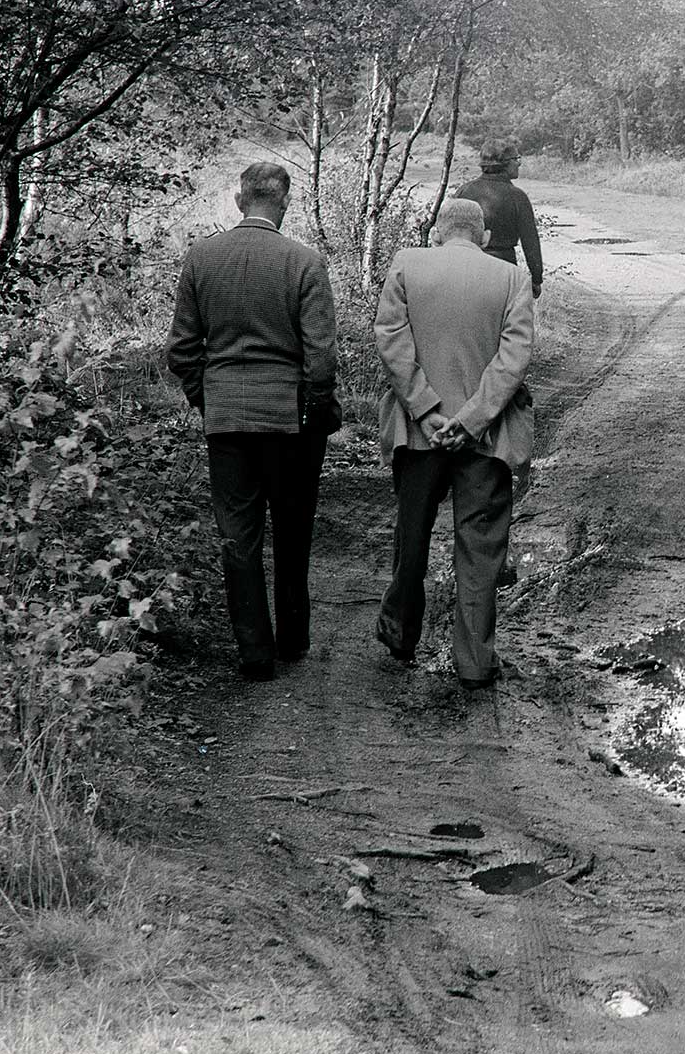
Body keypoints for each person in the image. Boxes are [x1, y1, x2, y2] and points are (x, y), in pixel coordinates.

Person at [166, 161, 340, 682]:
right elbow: (322, 359)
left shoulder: (201, 258)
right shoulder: (304, 263)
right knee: (292, 530)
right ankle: (292, 637)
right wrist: (313, 405)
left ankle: (254, 652)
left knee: (237, 538)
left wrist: (206, 398)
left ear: (240, 201)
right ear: (283, 204)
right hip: (288, 421)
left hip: (227, 421)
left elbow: (181, 350)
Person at [373, 197, 535, 688]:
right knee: (481, 550)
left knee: (412, 536)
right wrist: (469, 421)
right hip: (486, 439)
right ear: (484, 237)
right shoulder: (510, 278)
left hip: (417, 433)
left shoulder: (407, 264)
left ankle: (401, 635)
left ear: (437, 232)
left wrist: (427, 410)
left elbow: (391, 341)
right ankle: (474, 662)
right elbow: (513, 359)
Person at [453, 139, 543, 298]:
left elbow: (449, 233)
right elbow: (530, 241)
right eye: (516, 159)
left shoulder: (464, 191)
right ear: (505, 164)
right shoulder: (517, 197)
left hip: (465, 270)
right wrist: (536, 278)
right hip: (503, 270)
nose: (519, 164)